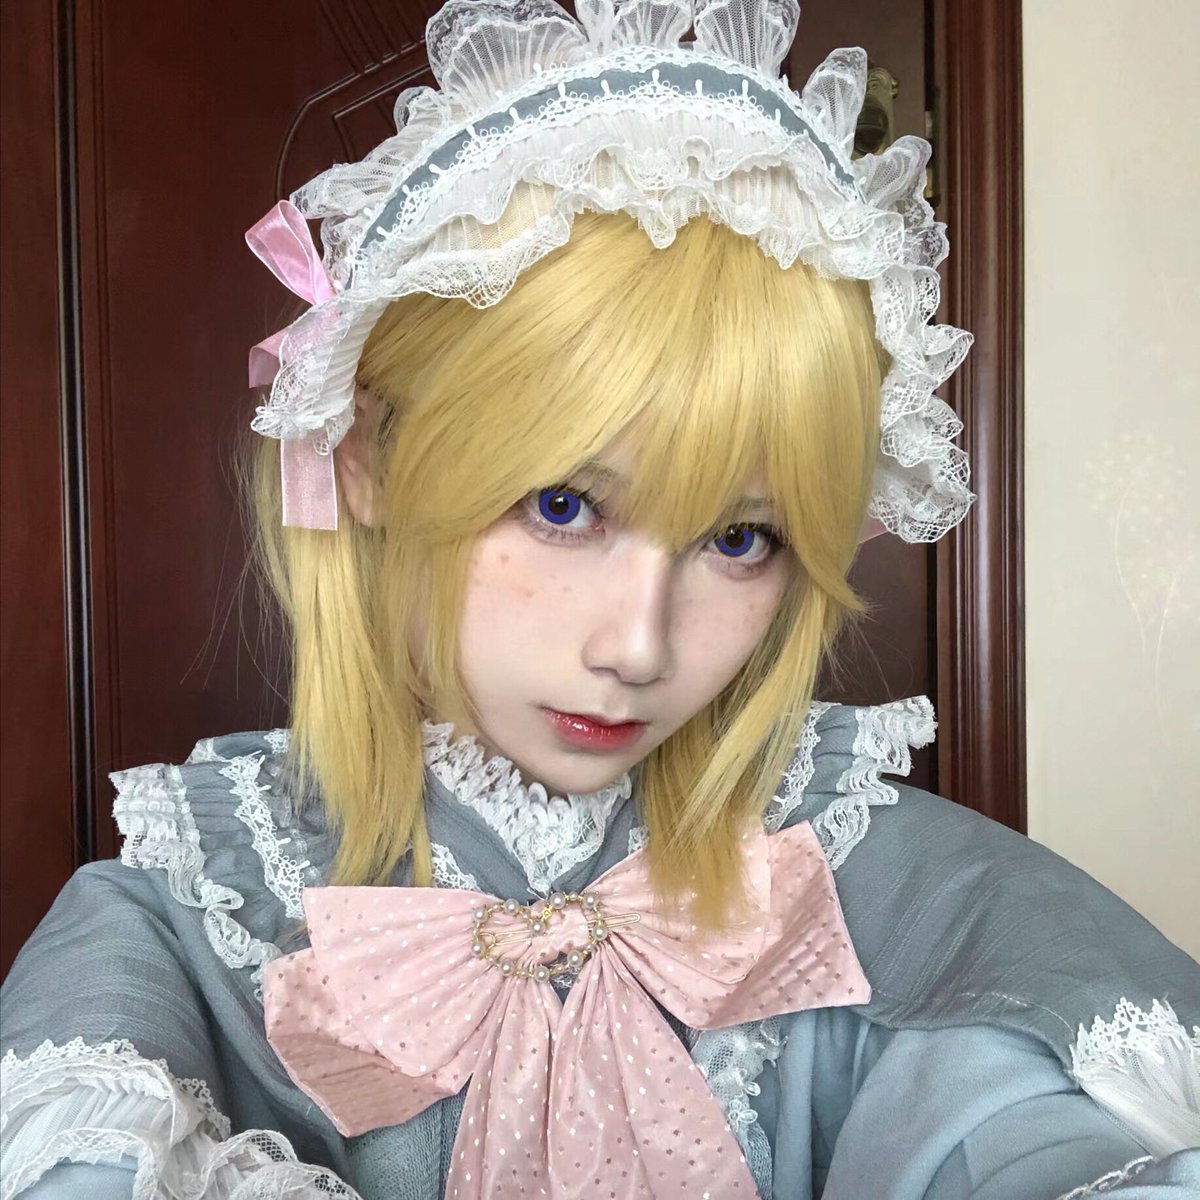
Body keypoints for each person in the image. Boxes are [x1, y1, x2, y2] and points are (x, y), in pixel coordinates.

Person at [2, 1, 1197, 1197]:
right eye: (564, 505)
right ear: (365, 457)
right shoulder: (184, 917)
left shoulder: (876, 876)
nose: (638, 648)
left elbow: (1041, 1133)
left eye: (740, 539)